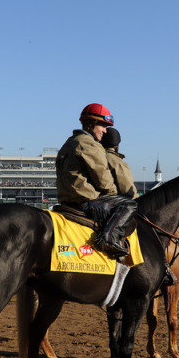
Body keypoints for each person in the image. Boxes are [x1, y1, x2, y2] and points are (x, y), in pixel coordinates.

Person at [56, 103, 135, 257]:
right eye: (103, 126)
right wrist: (115, 196)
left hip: (66, 201)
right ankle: (108, 239)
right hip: (86, 203)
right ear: (91, 124)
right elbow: (104, 182)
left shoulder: (69, 142)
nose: (105, 131)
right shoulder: (89, 144)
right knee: (129, 205)